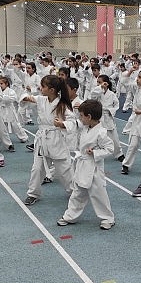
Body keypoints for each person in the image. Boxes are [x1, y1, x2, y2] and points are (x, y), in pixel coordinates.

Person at [56, 100, 116, 230]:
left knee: (98, 194)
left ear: (89, 117)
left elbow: (110, 149)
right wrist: (63, 123)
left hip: (94, 167)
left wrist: (95, 152)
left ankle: (107, 218)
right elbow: (75, 124)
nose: (80, 118)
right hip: (82, 165)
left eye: (82, 116)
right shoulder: (85, 126)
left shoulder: (101, 132)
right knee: (77, 192)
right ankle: (70, 216)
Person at [21, 75, 76, 206]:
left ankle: (74, 191)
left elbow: (72, 121)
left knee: (64, 170)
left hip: (56, 139)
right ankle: (33, 193)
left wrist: (62, 124)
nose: (40, 88)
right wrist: (25, 98)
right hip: (42, 139)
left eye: (43, 86)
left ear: (52, 90)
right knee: (37, 168)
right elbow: (27, 98)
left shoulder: (62, 105)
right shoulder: (41, 99)